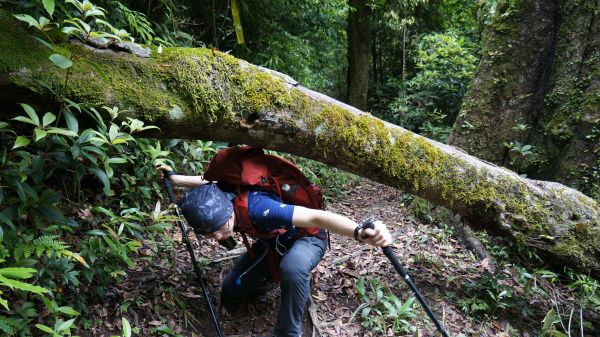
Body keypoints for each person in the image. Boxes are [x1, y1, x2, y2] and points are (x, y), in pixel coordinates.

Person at [157, 165, 392, 337]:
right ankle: (276, 273)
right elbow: (208, 183)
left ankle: (288, 331)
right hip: (274, 243)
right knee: (231, 290)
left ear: (229, 212)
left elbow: (315, 216)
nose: (218, 237)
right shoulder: (223, 195)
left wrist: (359, 232)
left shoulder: (260, 209)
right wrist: (174, 179)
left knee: (293, 267)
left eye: (220, 229)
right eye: (210, 234)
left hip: (307, 238)